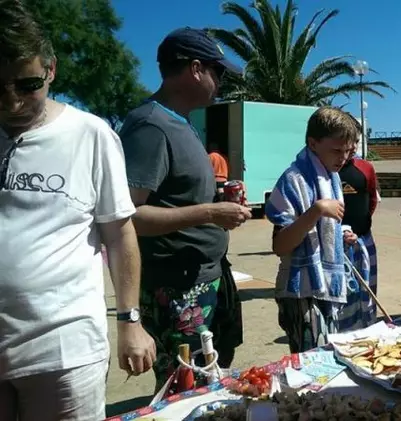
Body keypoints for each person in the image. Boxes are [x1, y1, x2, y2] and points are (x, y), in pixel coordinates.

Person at [0, 1, 155, 419]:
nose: (12, 102)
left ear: (50, 69)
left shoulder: (90, 135)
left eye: (27, 84)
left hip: (63, 352)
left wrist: (130, 321)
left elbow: (120, 235)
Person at [119, 27, 250, 391]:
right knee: (185, 390)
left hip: (204, 278)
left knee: (211, 380)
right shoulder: (150, 126)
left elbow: (178, 197)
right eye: (218, 72)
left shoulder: (181, 122)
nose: (221, 82)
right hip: (176, 288)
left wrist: (219, 200)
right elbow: (129, 217)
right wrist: (210, 213)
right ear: (195, 68)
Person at [266, 107, 360, 353]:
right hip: (301, 292)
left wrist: (341, 236)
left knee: (328, 358)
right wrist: (316, 210)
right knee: (313, 362)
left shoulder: (332, 177)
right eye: (337, 150)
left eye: (348, 151)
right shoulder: (293, 180)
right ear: (313, 143)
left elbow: (322, 232)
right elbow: (280, 245)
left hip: (326, 288)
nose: (343, 158)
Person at [339, 140, 380, 328]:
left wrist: (361, 226)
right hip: (338, 244)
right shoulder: (328, 169)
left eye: (356, 140)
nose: (353, 146)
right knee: (345, 295)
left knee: (367, 291)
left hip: (363, 239)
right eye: (348, 141)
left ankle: (368, 326)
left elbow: (371, 199)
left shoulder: (366, 167)